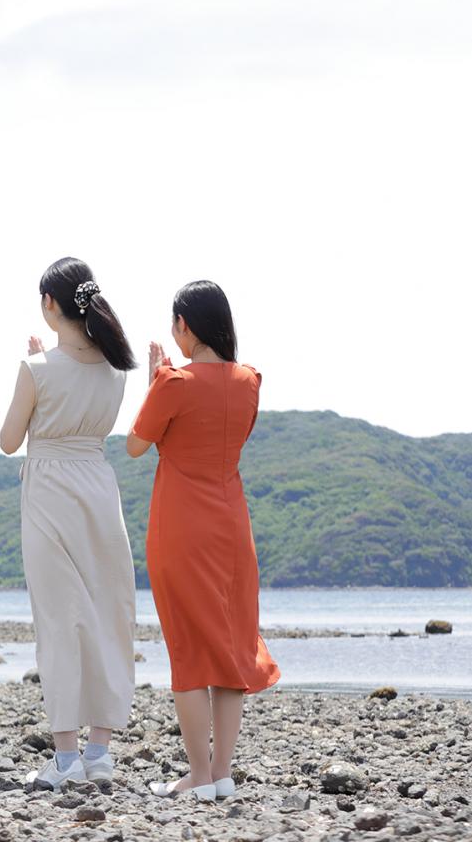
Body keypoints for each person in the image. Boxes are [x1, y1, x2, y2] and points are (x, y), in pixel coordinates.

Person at [127, 280, 280, 801]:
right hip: (232, 527)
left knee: (190, 651)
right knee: (230, 647)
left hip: (180, 527)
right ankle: (222, 773)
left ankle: (197, 775)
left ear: (184, 326)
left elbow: (135, 446)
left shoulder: (174, 383)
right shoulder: (249, 381)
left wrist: (155, 382)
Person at [0, 257, 139, 790]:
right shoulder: (117, 369)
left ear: (50, 304)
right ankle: (100, 751)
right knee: (108, 614)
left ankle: (64, 758)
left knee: (60, 621)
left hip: (50, 493)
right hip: (99, 489)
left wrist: (36, 367)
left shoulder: (37, 368)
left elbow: (10, 440)